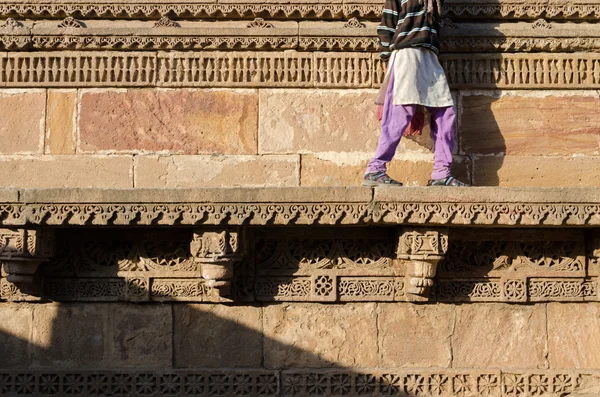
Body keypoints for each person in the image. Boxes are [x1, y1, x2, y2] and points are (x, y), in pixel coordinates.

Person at [362, 0, 469, 187]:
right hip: (406, 53)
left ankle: (441, 173)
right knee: (401, 112)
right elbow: (386, 27)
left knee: (445, 113)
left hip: (430, 56)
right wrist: (388, 60)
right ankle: (376, 168)